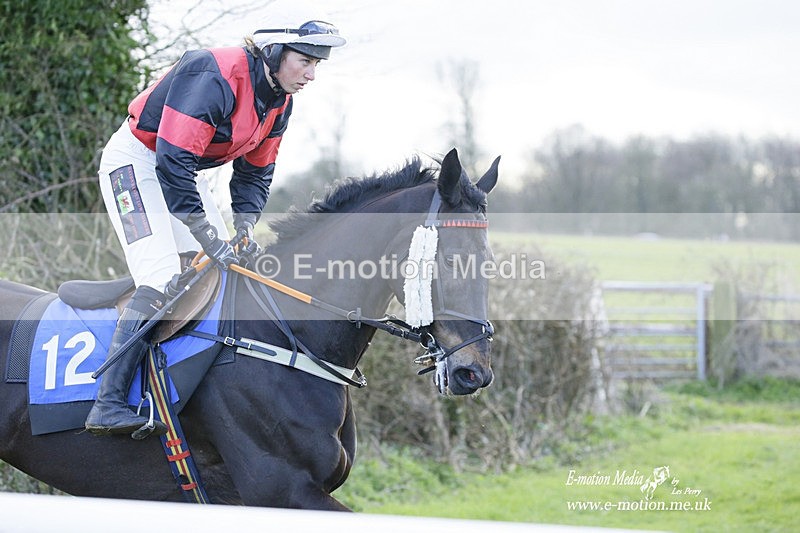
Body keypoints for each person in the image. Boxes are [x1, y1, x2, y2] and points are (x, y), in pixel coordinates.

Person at [85, 11, 346, 437]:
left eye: (316, 64)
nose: (312, 75)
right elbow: (172, 162)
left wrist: (243, 226)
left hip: (185, 173)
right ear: (274, 53)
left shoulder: (279, 102)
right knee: (162, 277)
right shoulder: (213, 74)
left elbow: (255, 173)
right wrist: (207, 234)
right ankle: (107, 403)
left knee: (223, 274)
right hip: (137, 165)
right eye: (306, 61)